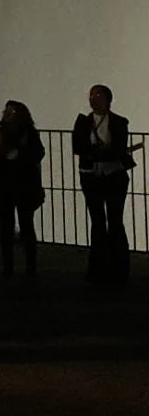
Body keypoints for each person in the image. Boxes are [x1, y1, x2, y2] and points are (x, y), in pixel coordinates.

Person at [72, 85, 132, 286]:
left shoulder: (117, 122)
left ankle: (114, 268)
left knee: (113, 221)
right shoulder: (85, 122)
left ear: (108, 99)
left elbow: (115, 149)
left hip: (108, 175)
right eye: (91, 94)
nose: (93, 98)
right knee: (100, 221)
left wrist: (93, 152)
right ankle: (103, 268)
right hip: (97, 175)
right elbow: (79, 148)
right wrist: (103, 151)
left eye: (98, 95)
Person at [0, 100, 45, 278]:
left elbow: (38, 152)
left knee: (21, 226)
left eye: (10, 112)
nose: (6, 114)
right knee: (11, 227)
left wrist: (16, 154)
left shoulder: (22, 134)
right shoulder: (22, 133)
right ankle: (17, 267)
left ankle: (20, 267)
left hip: (17, 185)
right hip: (14, 184)